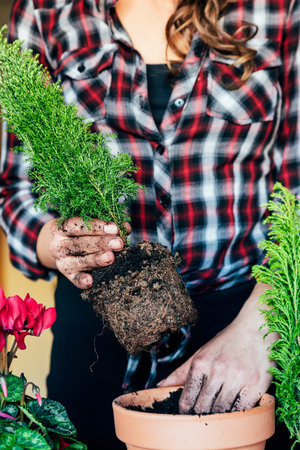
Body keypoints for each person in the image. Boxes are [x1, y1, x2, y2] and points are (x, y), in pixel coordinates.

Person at [0, 0, 299, 448]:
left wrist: (258, 330)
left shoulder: (277, 10)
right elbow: (14, 189)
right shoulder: (48, 12)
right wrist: (56, 243)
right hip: (98, 331)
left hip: (242, 325)